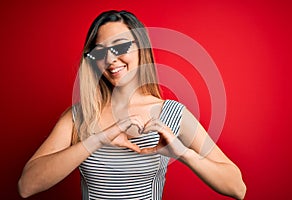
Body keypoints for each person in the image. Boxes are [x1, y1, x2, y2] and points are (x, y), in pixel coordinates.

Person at [18, 10, 246, 200]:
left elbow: (237, 188)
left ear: (141, 48)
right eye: (100, 51)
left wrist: (183, 152)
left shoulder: (171, 114)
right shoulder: (78, 117)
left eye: (119, 47)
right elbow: (26, 186)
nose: (110, 60)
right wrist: (97, 139)